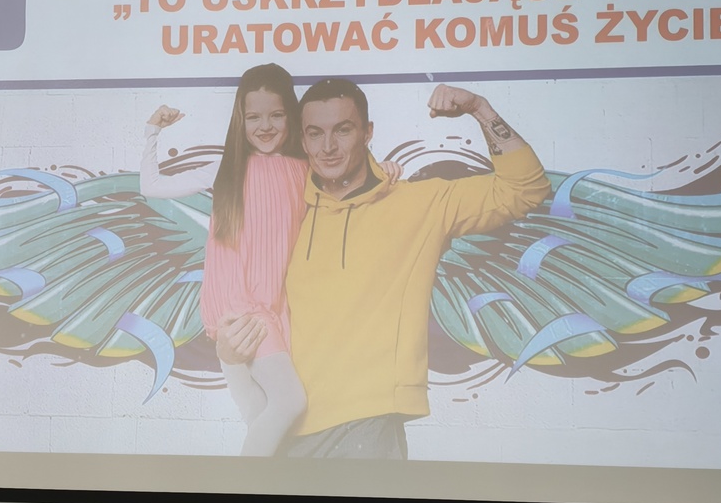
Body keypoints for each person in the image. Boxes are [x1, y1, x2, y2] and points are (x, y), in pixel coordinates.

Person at [217, 79, 550, 459]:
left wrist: (480, 109)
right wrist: (230, 354)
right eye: (315, 133)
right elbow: (245, 295)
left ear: (368, 133)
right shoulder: (288, 209)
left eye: (343, 130)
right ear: (303, 140)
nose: (328, 147)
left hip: (366, 427)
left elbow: (526, 189)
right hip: (284, 432)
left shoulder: (420, 203)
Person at [140, 64, 402, 457]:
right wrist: (152, 132)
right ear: (240, 119)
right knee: (290, 403)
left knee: (260, 417)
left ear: (291, 116)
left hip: (277, 307)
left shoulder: (305, 170)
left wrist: (384, 170)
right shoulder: (228, 168)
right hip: (242, 306)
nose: (265, 126)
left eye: (276, 115)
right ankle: (242, 489)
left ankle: (257, 492)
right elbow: (151, 185)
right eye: (254, 117)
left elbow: (348, 174)